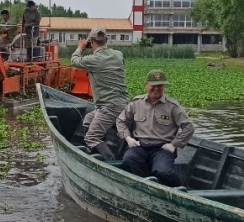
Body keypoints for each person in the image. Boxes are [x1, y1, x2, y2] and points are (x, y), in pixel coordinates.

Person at [116, 69, 195, 186]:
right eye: (153, 85)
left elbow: (189, 127)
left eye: (160, 86)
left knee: (163, 171)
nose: (157, 89)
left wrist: (174, 144)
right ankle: (143, 187)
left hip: (162, 149)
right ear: (146, 85)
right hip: (140, 146)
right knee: (129, 160)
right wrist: (128, 139)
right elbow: (120, 121)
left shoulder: (172, 106)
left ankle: (179, 191)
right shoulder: (136, 103)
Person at [70, 26, 128, 160]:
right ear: (106, 39)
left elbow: (74, 60)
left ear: (91, 41)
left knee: (91, 137)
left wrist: (80, 47)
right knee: (88, 119)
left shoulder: (94, 60)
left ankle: (110, 163)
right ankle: (90, 152)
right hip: (122, 104)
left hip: (109, 107)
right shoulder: (118, 55)